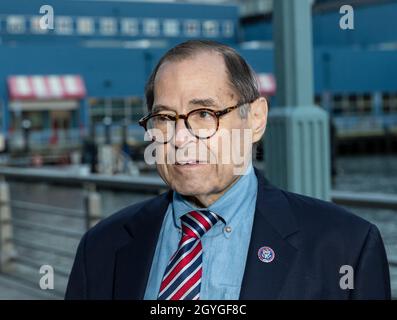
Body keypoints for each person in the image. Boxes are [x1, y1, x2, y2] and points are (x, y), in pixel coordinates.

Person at [65, 40, 390, 300]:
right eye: (164, 118)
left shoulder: (346, 248)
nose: (179, 138)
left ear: (256, 119)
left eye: (204, 114)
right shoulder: (100, 248)